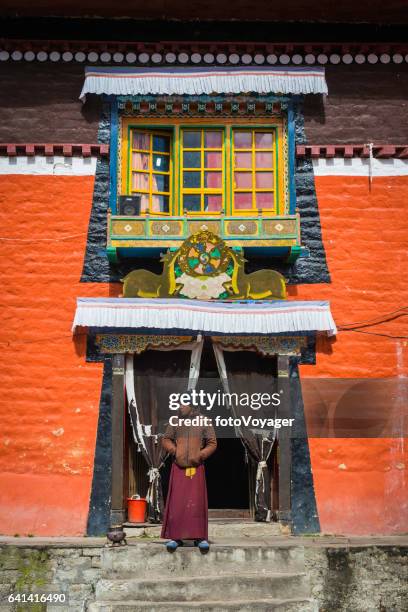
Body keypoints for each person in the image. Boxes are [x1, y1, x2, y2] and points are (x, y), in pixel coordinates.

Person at [161, 401, 217, 553]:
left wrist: (200, 455)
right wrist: (175, 451)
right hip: (178, 467)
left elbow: (212, 443)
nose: (180, 407)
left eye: (184, 404)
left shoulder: (204, 421)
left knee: (196, 503)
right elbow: (166, 439)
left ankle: (200, 538)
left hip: (196, 467)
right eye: (179, 404)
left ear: (192, 405)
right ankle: (175, 537)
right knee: (177, 502)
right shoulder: (175, 421)